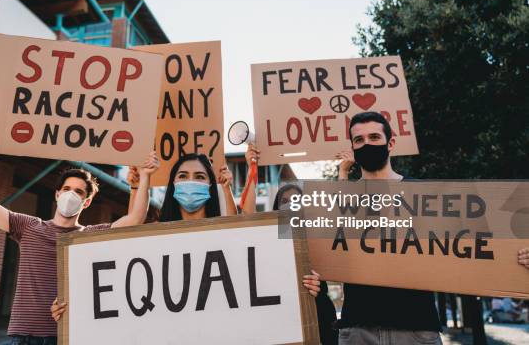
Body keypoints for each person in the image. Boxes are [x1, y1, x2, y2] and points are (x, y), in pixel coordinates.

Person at [51, 150, 323, 323]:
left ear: (210, 185)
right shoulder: (149, 240)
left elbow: (260, 274)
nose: (190, 181)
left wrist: (303, 284)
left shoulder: (231, 236)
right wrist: (72, 305)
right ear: (172, 186)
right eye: (182, 176)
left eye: (199, 176)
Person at [0, 128, 157, 344]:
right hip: (23, 336)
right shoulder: (28, 227)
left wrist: (145, 178)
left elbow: (135, 219)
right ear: (57, 195)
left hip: (67, 336)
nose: (71, 194)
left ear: (86, 202)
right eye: (67, 188)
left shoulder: (91, 236)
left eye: (79, 192)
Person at [333, 112, 442, 345]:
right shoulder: (346, 197)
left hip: (415, 327)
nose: (367, 144)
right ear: (352, 147)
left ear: (390, 143)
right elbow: (333, 243)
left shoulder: (422, 193)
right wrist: (343, 173)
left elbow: (459, 248)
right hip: (358, 329)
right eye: (359, 140)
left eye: (374, 137)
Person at [272, 184, 339, 345]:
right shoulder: (270, 242)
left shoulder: (318, 236)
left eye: (296, 200)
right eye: (285, 201)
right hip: (285, 315)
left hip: (319, 312)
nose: (290, 204)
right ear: (277, 208)